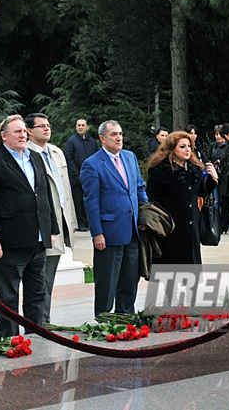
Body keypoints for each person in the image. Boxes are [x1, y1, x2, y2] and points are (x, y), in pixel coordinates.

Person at [0, 115, 59, 337]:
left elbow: (45, 194)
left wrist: (52, 228)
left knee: (37, 296)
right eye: (17, 131)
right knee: (8, 298)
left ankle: (35, 339)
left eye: (24, 131)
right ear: (4, 136)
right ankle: (11, 342)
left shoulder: (36, 158)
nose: (23, 135)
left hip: (38, 241)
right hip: (9, 243)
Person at [81, 120, 148, 318]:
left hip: (133, 231)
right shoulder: (91, 164)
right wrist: (97, 233)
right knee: (107, 280)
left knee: (130, 278)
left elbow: (138, 188)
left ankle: (125, 315)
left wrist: (143, 216)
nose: (119, 138)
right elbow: (91, 202)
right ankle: (104, 317)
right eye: (113, 134)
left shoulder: (130, 157)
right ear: (102, 138)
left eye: (120, 134)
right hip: (108, 233)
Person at [25, 113, 77, 323]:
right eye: (41, 126)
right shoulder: (25, 153)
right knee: (38, 281)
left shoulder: (56, 152)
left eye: (48, 125)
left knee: (49, 278)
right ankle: (39, 323)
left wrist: (70, 221)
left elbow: (66, 191)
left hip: (59, 224)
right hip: (39, 227)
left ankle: (44, 320)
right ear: (29, 131)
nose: (47, 129)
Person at [146, 131, 218, 265]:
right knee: (171, 270)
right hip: (170, 226)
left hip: (191, 225)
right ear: (172, 149)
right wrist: (162, 221)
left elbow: (201, 192)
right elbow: (153, 198)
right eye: (182, 146)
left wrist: (213, 178)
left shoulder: (194, 168)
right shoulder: (159, 169)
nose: (188, 150)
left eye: (189, 146)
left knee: (190, 273)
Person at [64, 118, 98, 232]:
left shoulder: (92, 141)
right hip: (76, 179)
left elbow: (96, 157)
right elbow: (68, 158)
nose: (81, 127)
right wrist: (76, 175)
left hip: (90, 178)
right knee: (77, 202)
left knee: (88, 201)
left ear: (87, 127)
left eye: (83, 125)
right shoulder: (71, 141)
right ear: (76, 127)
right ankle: (80, 223)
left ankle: (88, 222)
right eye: (78, 125)